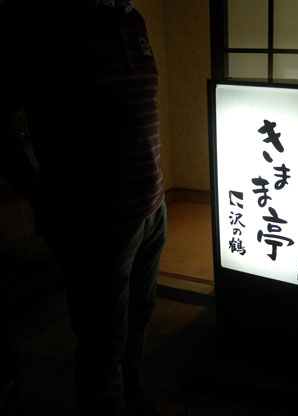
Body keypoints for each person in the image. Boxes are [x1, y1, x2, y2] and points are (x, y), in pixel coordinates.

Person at [0, 1, 187, 415]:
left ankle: (138, 403)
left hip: (151, 209)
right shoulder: (42, 24)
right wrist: (38, 198)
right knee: (103, 347)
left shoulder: (132, 17)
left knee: (137, 321)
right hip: (95, 224)